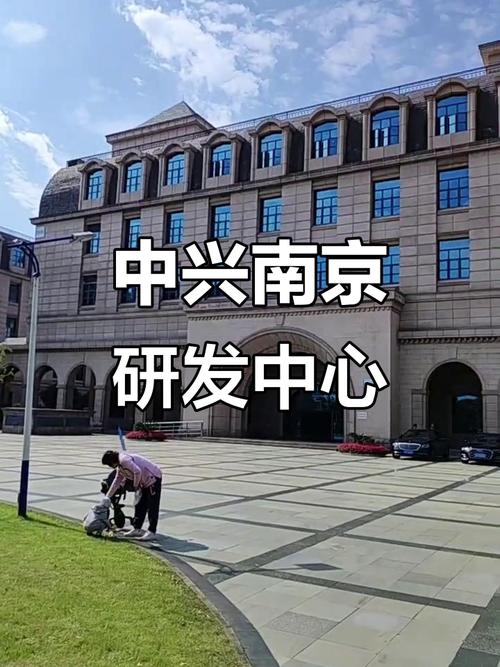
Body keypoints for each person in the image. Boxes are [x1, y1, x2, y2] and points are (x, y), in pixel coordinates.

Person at [102, 450, 162, 541]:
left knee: (152, 505)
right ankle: (137, 528)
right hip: (143, 482)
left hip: (153, 478)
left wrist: (135, 485)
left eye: (109, 464)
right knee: (139, 504)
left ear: (112, 461)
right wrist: (107, 496)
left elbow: (137, 471)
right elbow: (117, 480)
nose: (110, 466)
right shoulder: (120, 466)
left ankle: (151, 531)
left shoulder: (124, 460)